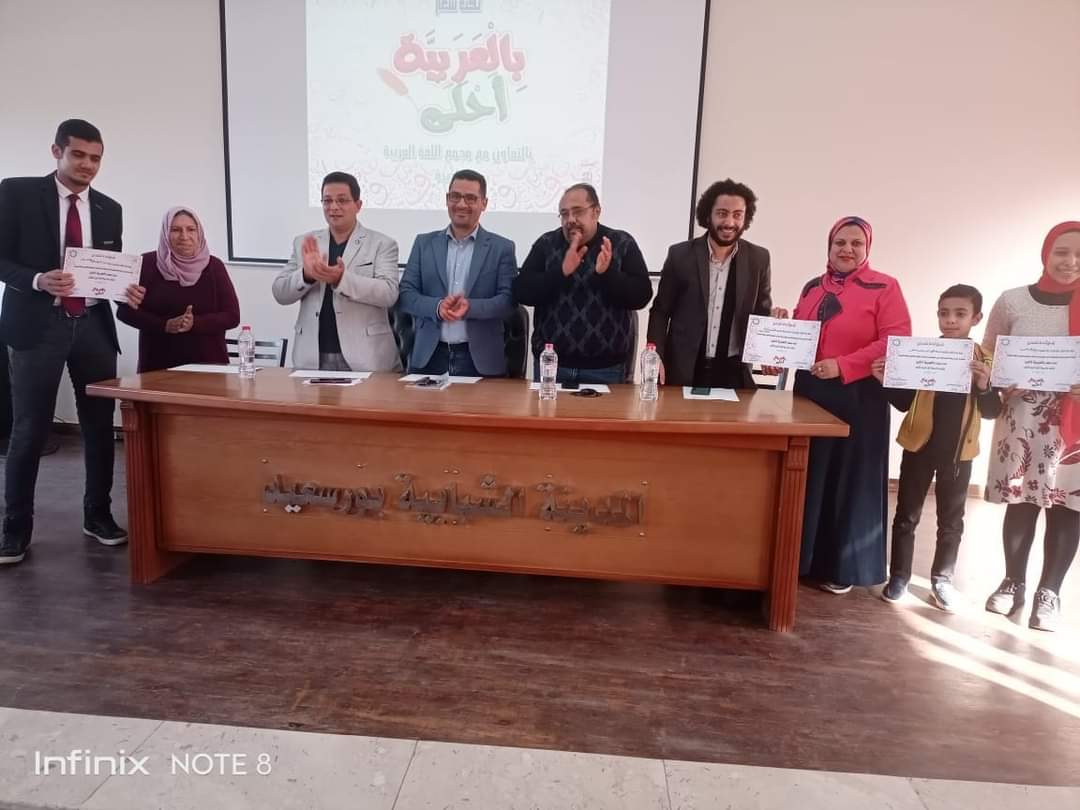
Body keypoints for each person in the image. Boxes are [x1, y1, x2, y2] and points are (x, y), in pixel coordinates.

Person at [0, 119, 146, 565]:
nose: (87, 165)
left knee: (100, 426)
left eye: (95, 158)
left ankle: (97, 515)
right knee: (29, 428)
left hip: (93, 326)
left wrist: (126, 291)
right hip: (37, 325)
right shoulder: (17, 193)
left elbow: (106, 270)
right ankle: (15, 529)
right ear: (56, 152)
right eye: (78, 155)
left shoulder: (109, 208)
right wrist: (37, 279)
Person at [780, 216, 912, 593]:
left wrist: (844, 365)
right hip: (811, 393)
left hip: (859, 396)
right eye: (840, 242)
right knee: (810, 475)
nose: (847, 249)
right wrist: (782, 331)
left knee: (848, 481)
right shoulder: (812, 287)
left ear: (867, 248)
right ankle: (802, 560)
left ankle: (842, 568)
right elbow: (803, 337)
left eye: (856, 243)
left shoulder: (885, 286)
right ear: (829, 245)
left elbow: (895, 339)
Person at [871, 284, 1002, 610]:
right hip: (919, 448)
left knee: (951, 521)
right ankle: (898, 576)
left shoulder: (986, 360)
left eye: (960, 314)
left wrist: (984, 385)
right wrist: (885, 381)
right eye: (944, 313)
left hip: (958, 454)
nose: (951, 320)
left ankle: (942, 580)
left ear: (976, 318)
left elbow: (992, 412)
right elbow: (904, 403)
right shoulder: (923, 354)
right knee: (906, 515)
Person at [981, 221, 1080, 632]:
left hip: (1075, 424)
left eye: (1079, 254)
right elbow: (987, 356)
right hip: (1021, 417)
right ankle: (1013, 581)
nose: (1070, 261)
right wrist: (999, 380)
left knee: (1068, 507)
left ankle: (1049, 592)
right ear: (1046, 253)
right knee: (1021, 502)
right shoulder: (1013, 301)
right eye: (1062, 251)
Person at [512, 183, 652, 385]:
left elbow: (641, 296)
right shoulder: (547, 243)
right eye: (564, 214)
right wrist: (561, 272)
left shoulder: (621, 242)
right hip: (552, 364)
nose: (570, 220)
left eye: (577, 211)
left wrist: (607, 274)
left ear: (596, 212)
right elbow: (521, 291)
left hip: (606, 368)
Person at [646, 179, 772, 388]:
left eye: (737, 215)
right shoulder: (680, 255)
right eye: (722, 213)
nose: (729, 222)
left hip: (734, 371)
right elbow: (660, 311)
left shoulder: (759, 258)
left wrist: (770, 352)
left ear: (746, 218)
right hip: (683, 368)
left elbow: (762, 313)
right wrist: (654, 355)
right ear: (708, 215)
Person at [272, 171, 400, 372]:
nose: (333, 207)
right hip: (313, 357)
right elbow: (280, 292)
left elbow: (389, 293)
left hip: (367, 357)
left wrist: (341, 279)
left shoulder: (382, 244)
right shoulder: (305, 242)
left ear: (358, 205)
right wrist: (306, 275)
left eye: (342, 200)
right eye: (327, 201)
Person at [398, 169, 517, 377]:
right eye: (455, 196)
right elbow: (406, 294)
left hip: (480, 359)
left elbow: (508, 302)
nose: (461, 204)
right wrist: (437, 307)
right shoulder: (424, 243)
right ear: (447, 199)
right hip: (429, 357)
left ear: (484, 203)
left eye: (470, 198)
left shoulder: (502, 248)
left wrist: (470, 307)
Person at [116, 207, 240, 372]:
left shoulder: (214, 266)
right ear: (165, 233)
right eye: (175, 230)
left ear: (199, 233)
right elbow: (124, 312)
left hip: (209, 366)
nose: (184, 236)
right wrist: (164, 325)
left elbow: (232, 316)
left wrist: (195, 323)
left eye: (191, 229)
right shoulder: (146, 263)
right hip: (157, 367)